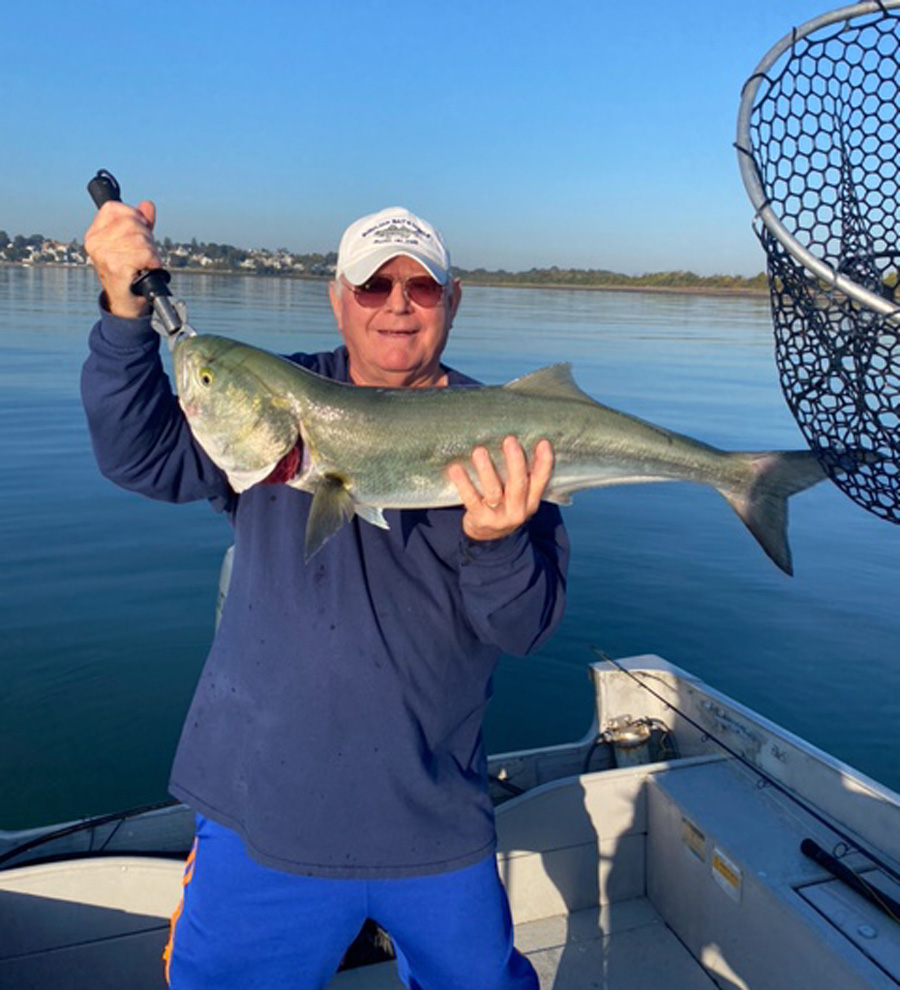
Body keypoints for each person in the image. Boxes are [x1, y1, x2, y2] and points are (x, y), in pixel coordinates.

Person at [81, 200, 569, 989]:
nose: (398, 305)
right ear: (337, 298)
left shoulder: (504, 438)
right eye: (373, 287)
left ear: (455, 300)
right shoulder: (275, 399)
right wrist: (123, 312)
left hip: (432, 814)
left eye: (422, 287)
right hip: (262, 808)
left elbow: (524, 626)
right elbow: (140, 454)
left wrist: (498, 539)